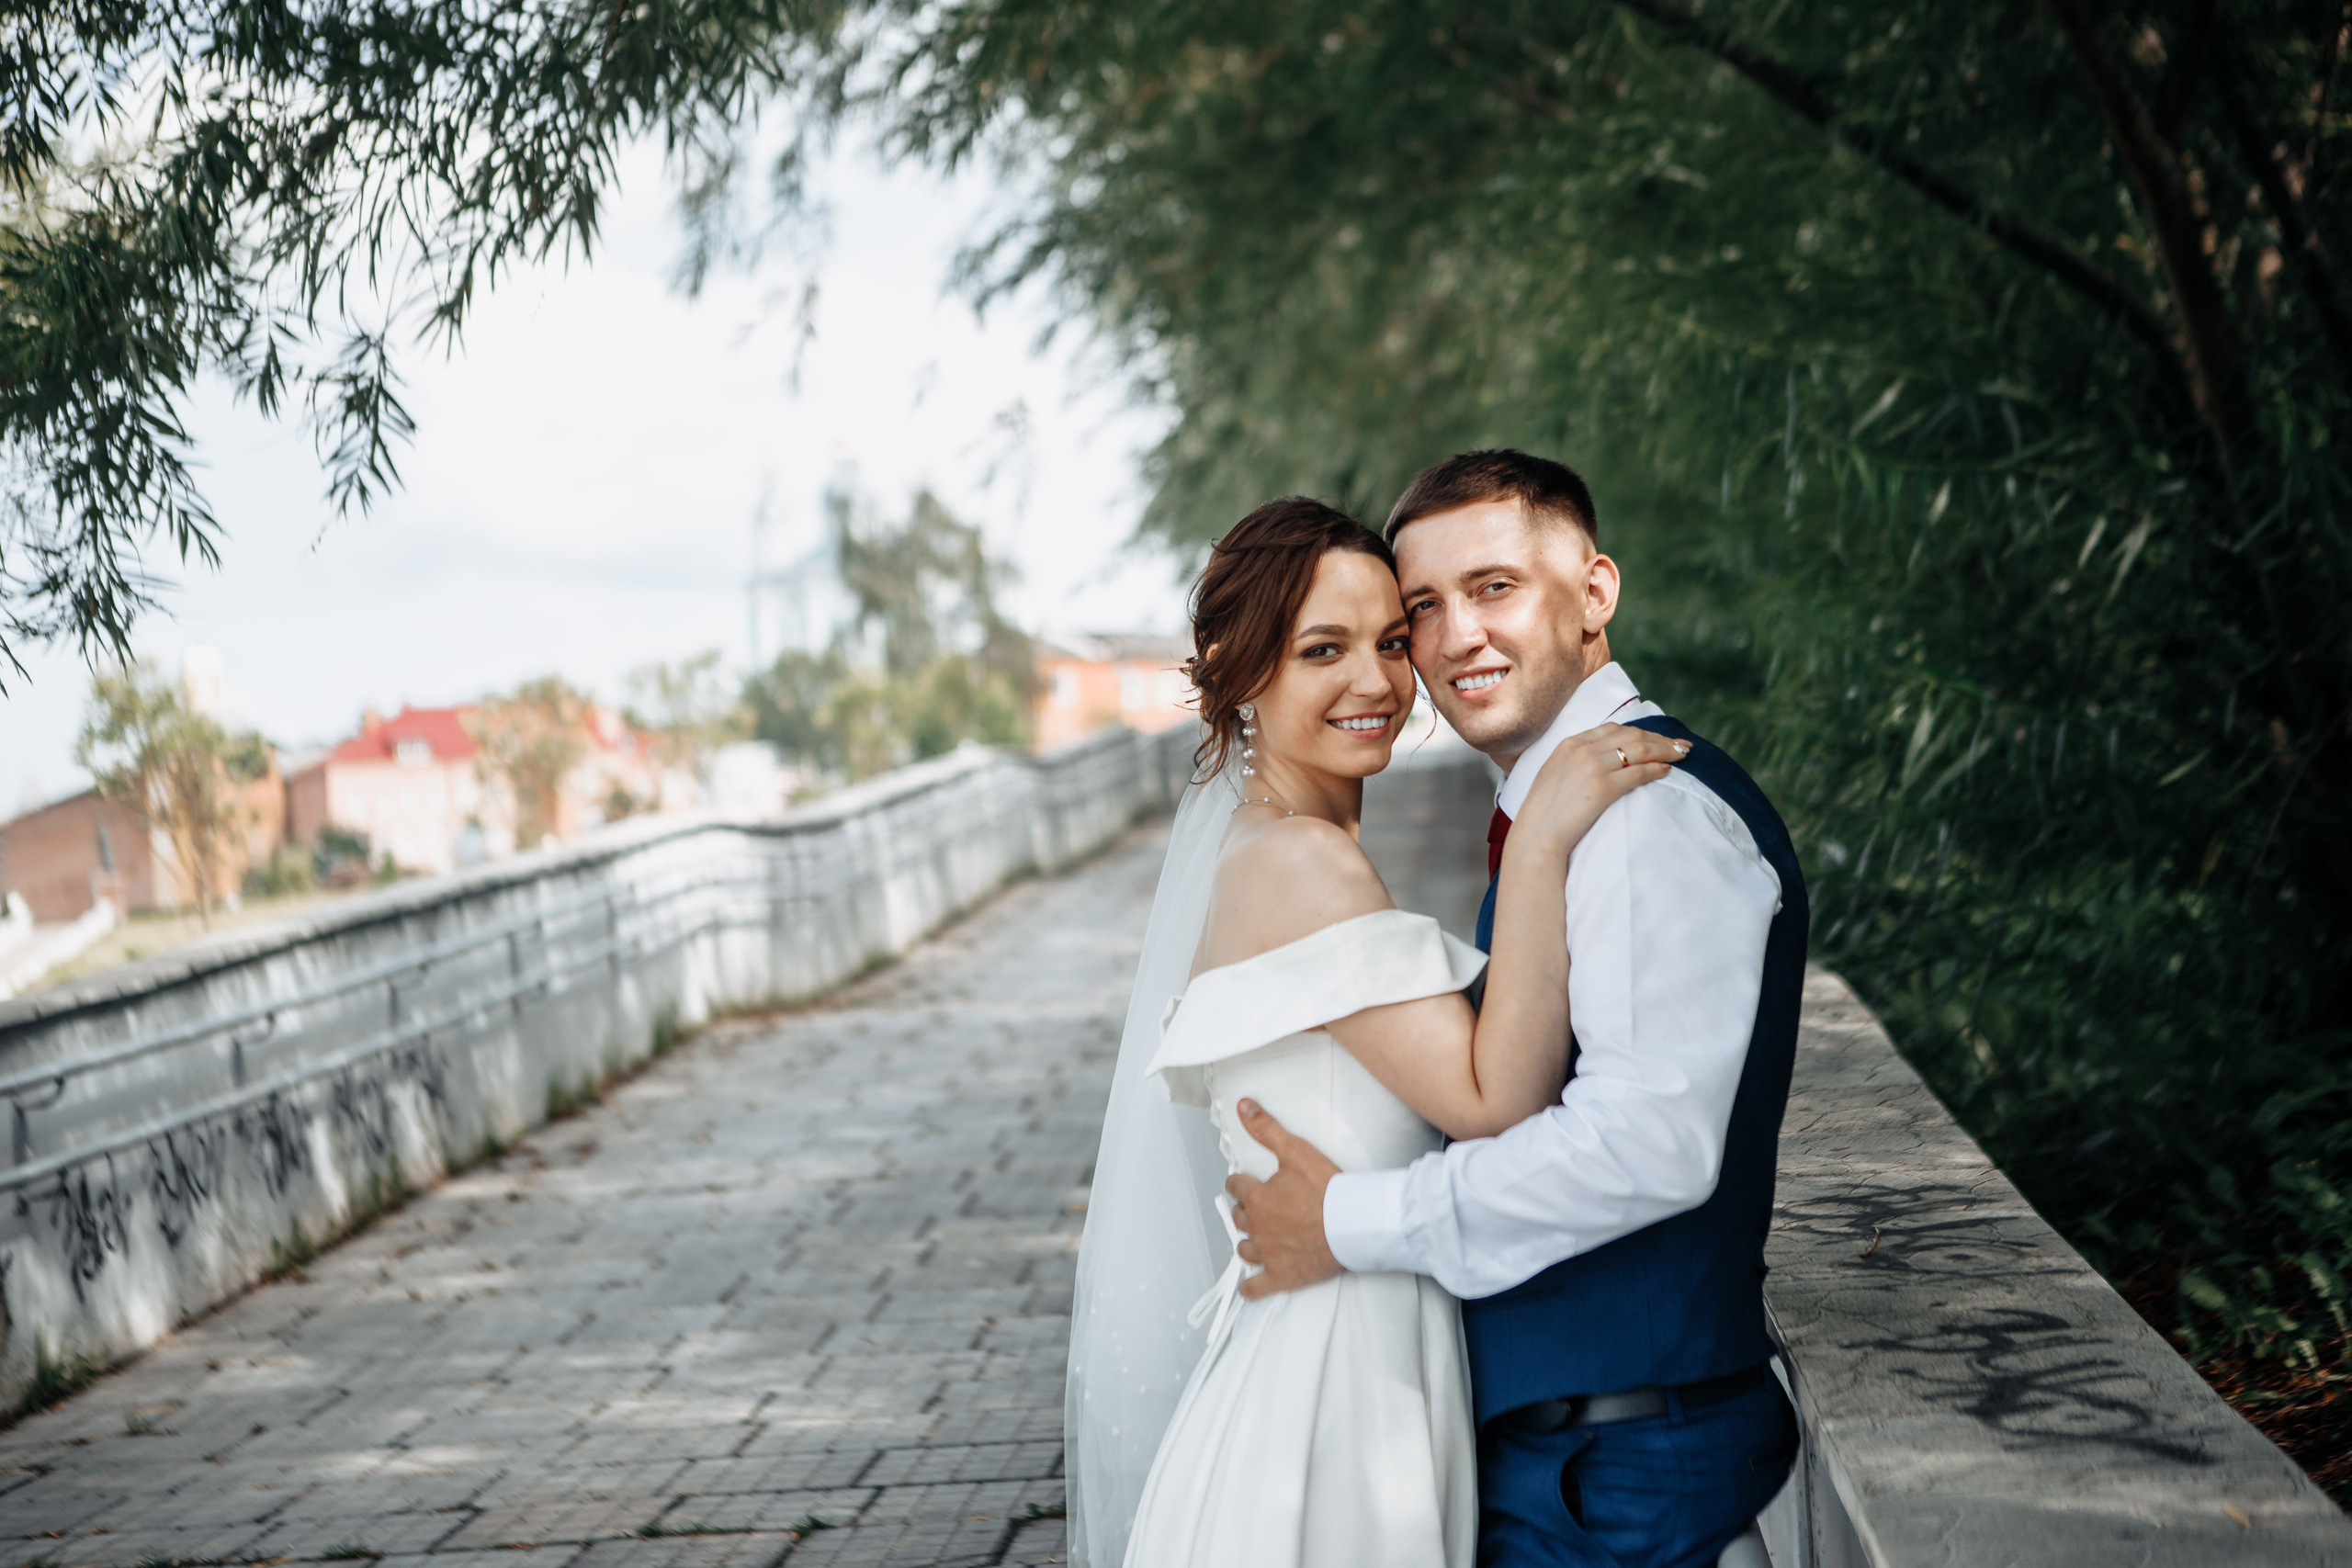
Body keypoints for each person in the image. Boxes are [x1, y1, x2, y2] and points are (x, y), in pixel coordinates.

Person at [1064, 494, 1689, 1568]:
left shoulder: (1279, 846)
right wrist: (1539, 839)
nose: (1377, 683)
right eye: (1323, 650)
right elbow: (1495, 1102)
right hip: (1331, 1397)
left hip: (1354, 1357)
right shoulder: (1303, 864)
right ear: (1240, 669)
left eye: (1392, 643)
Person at [1227, 449, 1808, 1568]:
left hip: (1619, 1464)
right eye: (1422, 611)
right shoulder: (1559, 812)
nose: (1451, 642)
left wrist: (1348, 1222)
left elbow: (1647, 1145)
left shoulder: (1640, 813)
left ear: (1594, 594)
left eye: (1493, 587)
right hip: (1576, 1455)